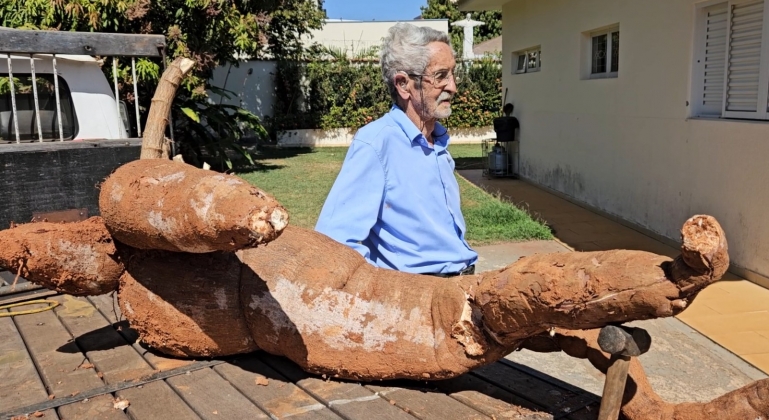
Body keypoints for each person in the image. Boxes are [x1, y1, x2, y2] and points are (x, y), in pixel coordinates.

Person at [315, 23, 478, 277]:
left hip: (459, 287)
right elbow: (333, 242)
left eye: (453, 74)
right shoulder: (376, 144)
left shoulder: (438, 142)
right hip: (419, 299)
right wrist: (390, 297)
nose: (453, 87)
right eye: (441, 76)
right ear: (403, 84)